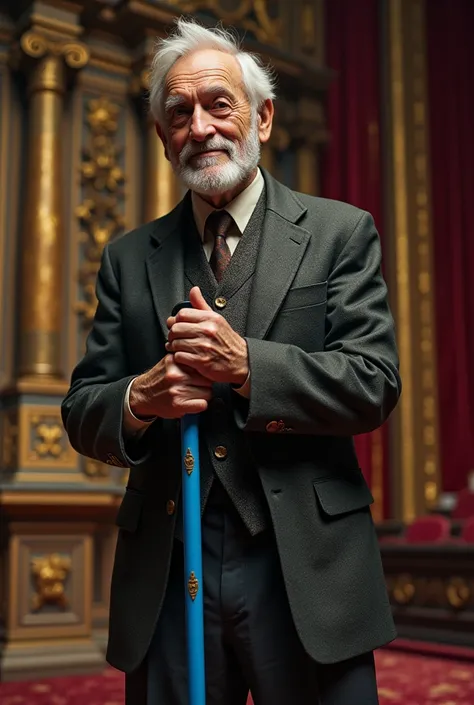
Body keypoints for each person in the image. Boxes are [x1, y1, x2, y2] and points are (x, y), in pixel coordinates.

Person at [62, 18, 401, 705]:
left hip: (305, 568)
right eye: (179, 113)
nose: (202, 126)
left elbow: (374, 381)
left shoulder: (339, 232)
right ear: (162, 137)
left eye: (220, 103)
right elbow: (82, 407)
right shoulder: (129, 258)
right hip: (169, 568)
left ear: (263, 117)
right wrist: (140, 399)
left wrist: (249, 364)